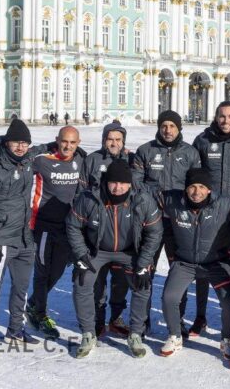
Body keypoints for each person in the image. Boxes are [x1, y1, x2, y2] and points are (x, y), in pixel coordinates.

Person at [66, 159, 162, 358]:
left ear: (130, 184)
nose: (118, 187)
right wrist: (81, 254)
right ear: (106, 182)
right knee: (82, 281)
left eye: (122, 183)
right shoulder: (89, 199)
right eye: (113, 182)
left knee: (142, 284)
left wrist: (144, 262)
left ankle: (135, 333)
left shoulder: (143, 200)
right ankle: (88, 333)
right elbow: (73, 226)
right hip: (97, 251)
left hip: (129, 252)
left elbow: (154, 232)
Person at [0, 119, 50, 354]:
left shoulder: (26, 161)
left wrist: (57, 146)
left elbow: (39, 150)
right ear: (6, 143)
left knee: (21, 288)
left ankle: (15, 329)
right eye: (16, 142)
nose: (21, 147)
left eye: (24, 143)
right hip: (0, 239)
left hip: (24, 238)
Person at [159, 167, 230, 358]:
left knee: (229, 301)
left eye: (201, 186)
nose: (196, 191)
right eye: (192, 186)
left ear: (209, 189)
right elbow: (145, 197)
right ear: (185, 188)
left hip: (216, 263)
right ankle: (175, 335)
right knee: (169, 297)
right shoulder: (173, 201)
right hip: (185, 263)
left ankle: (226, 339)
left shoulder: (224, 204)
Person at [132, 110, 201, 335]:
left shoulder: (190, 153)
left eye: (172, 125)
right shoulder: (145, 151)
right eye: (164, 125)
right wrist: (152, 206)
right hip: (150, 223)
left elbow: (196, 186)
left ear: (179, 128)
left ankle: (176, 319)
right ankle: (141, 321)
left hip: (178, 223)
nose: (168, 130)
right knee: (145, 270)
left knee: (178, 272)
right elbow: (136, 185)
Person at [191, 101, 230, 335]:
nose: (226, 121)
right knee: (202, 265)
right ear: (215, 117)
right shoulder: (203, 141)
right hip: (207, 212)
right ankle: (200, 316)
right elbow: (195, 172)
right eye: (222, 116)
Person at [25, 126, 84, 339]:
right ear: (57, 140)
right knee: (42, 272)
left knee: (57, 271)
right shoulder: (43, 160)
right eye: (64, 141)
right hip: (43, 227)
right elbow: (20, 159)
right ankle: (39, 313)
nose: (68, 146)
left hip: (68, 228)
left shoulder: (81, 162)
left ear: (78, 143)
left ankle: (33, 303)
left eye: (73, 142)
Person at [79, 121, 135, 337]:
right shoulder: (93, 160)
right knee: (98, 279)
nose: (114, 143)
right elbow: (81, 190)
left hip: (123, 230)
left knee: (120, 280)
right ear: (104, 140)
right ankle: (98, 318)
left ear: (123, 142)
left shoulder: (131, 160)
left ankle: (116, 317)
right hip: (97, 230)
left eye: (118, 140)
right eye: (110, 139)